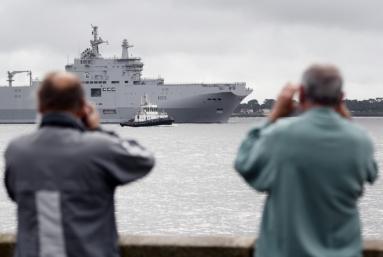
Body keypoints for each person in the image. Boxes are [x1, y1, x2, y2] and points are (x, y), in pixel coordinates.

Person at [4, 72, 155, 257]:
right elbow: (144, 160)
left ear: (40, 105)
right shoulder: (100, 148)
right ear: (83, 106)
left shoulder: (16, 151)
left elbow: (14, 194)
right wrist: (97, 130)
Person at [235, 64, 378, 257]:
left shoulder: (279, 135)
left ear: (301, 94)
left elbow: (244, 162)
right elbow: (372, 173)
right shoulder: (361, 140)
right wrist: (348, 124)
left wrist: (274, 115)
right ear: (341, 98)